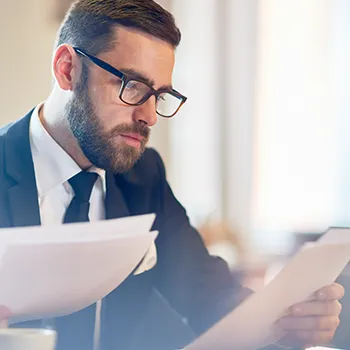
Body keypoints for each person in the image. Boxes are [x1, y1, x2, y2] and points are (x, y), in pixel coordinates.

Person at [0, 0, 344, 349]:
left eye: (159, 95)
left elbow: (210, 296)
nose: (149, 116)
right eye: (132, 86)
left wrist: (285, 322)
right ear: (67, 69)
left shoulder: (143, 174)